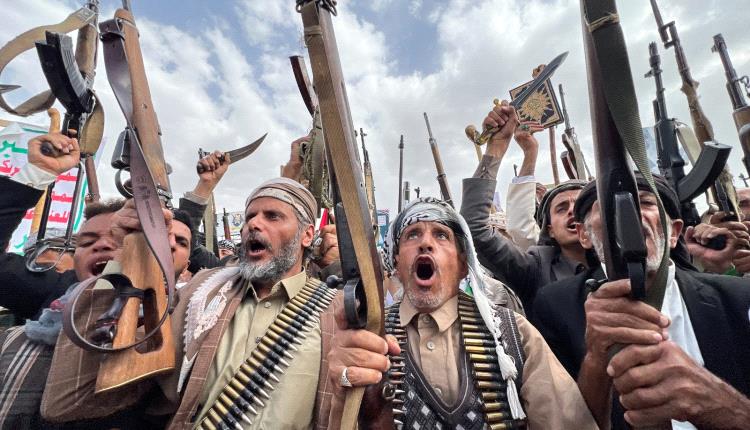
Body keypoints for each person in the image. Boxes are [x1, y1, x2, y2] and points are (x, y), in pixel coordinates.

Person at [41, 177, 340, 430]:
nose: (253, 224)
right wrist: (127, 256)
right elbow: (69, 400)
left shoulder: (337, 311)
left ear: (307, 235)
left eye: (272, 216)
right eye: (250, 216)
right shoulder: (200, 292)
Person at [321, 198, 597, 429]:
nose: (425, 243)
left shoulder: (512, 332)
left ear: (464, 265)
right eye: (412, 235)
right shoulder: (371, 337)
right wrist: (345, 391)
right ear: (396, 262)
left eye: (441, 235)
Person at [533, 175, 750, 429]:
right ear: (584, 235)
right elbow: (565, 420)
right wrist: (596, 359)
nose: (627, 211)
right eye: (606, 205)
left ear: (673, 232)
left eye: (645, 202)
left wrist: (719, 404)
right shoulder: (556, 306)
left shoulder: (738, 297)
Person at [461, 101, 588, 314]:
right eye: (561, 207)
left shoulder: (627, 256)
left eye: (582, 204)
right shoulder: (536, 270)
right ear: (550, 230)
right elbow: (473, 228)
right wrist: (496, 148)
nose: (572, 211)